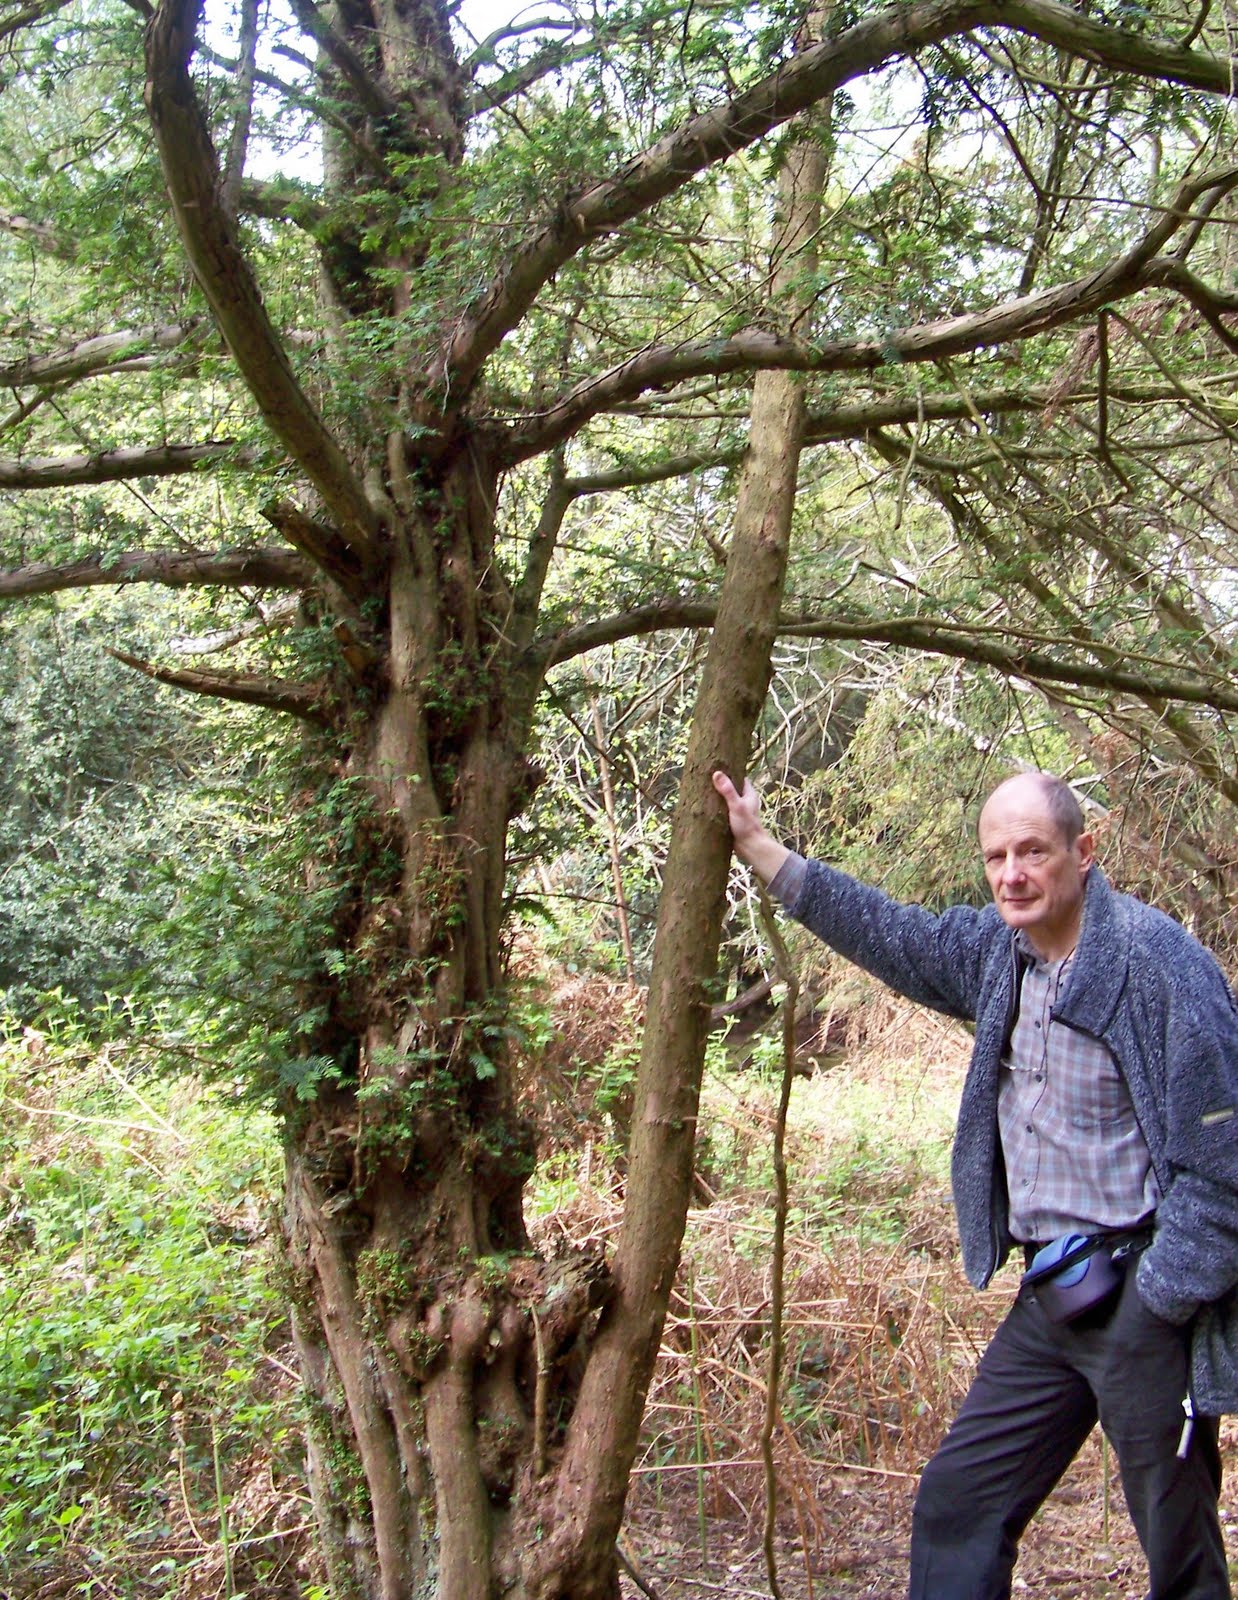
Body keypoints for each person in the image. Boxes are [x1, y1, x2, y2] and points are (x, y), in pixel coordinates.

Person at [712, 767, 1238, 1600]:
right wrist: (762, 850)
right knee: (959, 1506)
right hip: (1053, 1297)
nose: (1012, 875)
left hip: (1146, 1301)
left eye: (1033, 851)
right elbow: (892, 934)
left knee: (1179, 1551)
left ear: (1084, 852)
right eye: (997, 857)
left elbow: (1226, 1161)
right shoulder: (1001, 952)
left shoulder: (1158, 965)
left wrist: (1164, 1297)